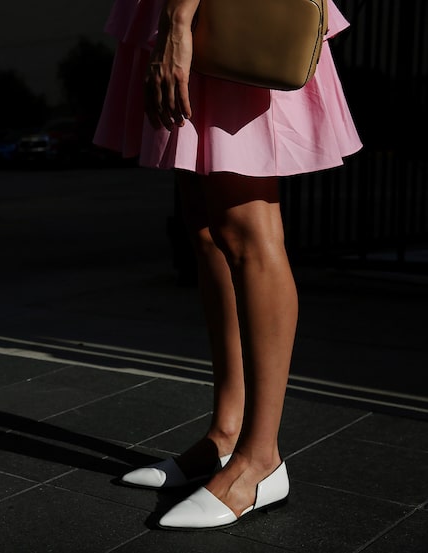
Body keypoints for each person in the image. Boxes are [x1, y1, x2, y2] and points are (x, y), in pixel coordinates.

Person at [94, 0, 361, 530]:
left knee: (245, 230)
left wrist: (177, 22)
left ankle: (261, 459)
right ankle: (227, 434)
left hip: (220, 11)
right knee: (206, 230)